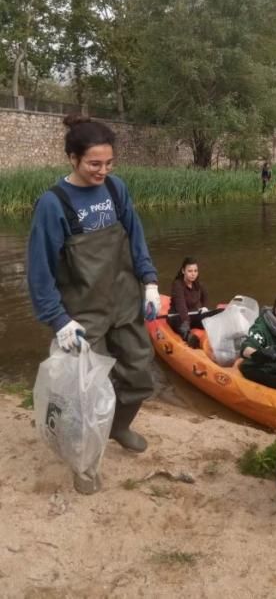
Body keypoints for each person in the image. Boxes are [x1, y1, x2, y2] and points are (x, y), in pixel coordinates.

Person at [27, 114, 161, 495]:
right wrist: (58, 320)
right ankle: (84, 464)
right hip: (82, 315)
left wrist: (149, 282)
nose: (103, 171)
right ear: (73, 158)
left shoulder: (117, 190)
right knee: (85, 394)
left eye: (109, 163)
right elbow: (39, 273)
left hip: (124, 301)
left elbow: (136, 239)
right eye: (94, 164)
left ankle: (118, 426)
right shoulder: (53, 205)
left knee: (139, 374)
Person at [168, 257, 222, 347]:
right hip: (179, 316)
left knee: (220, 312)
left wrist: (204, 307)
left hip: (194, 315)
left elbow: (205, 296)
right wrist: (186, 322)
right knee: (183, 325)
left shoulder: (198, 284)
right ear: (183, 271)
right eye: (190, 271)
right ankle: (189, 337)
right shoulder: (177, 285)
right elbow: (181, 306)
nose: (193, 274)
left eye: (195, 271)